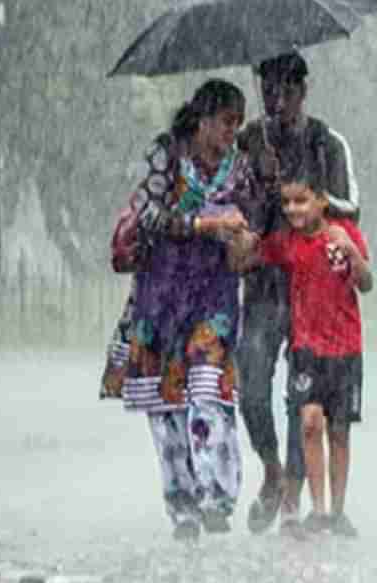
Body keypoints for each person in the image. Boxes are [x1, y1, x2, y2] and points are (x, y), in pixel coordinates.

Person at [116, 79, 261, 541]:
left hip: (214, 294)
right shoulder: (166, 154)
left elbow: (254, 220)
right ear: (201, 119)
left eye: (238, 123)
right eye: (225, 122)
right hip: (162, 295)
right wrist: (203, 223)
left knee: (208, 389)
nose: (231, 132)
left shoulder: (241, 167)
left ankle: (217, 496)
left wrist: (245, 236)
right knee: (166, 405)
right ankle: (181, 506)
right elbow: (148, 215)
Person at [236, 51, 361, 536]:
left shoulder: (326, 141)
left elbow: (351, 206)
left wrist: (309, 204)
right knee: (251, 385)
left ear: (303, 92)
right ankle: (270, 468)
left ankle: (293, 491)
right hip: (266, 283)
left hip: (313, 287)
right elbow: (235, 208)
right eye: (269, 90)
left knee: (302, 396)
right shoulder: (247, 142)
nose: (277, 100)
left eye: (287, 90)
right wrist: (261, 186)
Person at [229, 170, 372, 539]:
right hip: (306, 347)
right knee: (310, 421)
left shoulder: (343, 234)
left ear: (321, 200)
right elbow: (250, 257)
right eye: (287, 202)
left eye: (301, 200)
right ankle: (319, 510)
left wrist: (351, 251)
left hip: (346, 347)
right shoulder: (288, 243)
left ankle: (338, 510)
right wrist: (237, 233)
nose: (293, 209)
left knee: (339, 430)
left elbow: (367, 282)